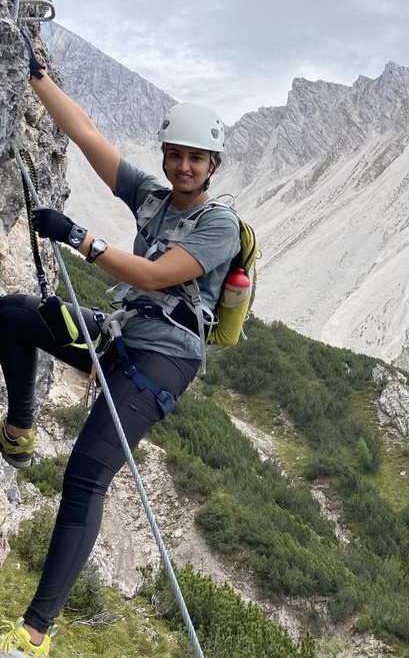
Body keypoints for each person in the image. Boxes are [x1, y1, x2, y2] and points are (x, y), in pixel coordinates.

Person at [0, 35, 240, 657]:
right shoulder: (153, 199)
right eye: (175, 155)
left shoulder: (220, 226)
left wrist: (80, 238)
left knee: (85, 476)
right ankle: (20, 431)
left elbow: (156, 277)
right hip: (120, 337)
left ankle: (35, 633)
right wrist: (36, 79)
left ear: (213, 165)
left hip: (162, 363)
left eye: (196, 158)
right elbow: (88, 137)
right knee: (14, 315)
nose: (183, 166)